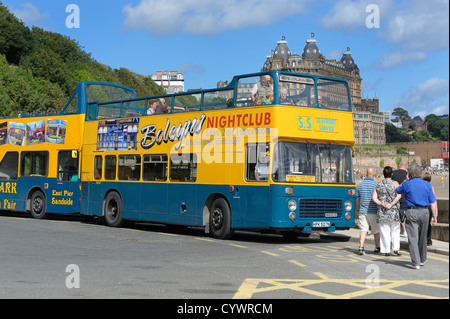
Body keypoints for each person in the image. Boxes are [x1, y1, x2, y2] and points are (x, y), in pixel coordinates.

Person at [396, 164, 437, 269]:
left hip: (412, 211)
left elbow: (397, 190)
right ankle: (423, 259)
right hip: (425, 212)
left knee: (413, 238)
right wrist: (435, 216)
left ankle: (416, 262)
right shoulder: (427, 185)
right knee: (423, 237)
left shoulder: (407, 184)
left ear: (409, 174)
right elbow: (433, 202)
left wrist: (405, 180)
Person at [372, 166, 402, 256]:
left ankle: (385, 250)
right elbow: (399, 196)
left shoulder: (378, 184)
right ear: (392, 174)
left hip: (383, 212)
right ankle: (396, 249)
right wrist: (391, 204)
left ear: (383, 174)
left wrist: (381, 204)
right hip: (394, 211)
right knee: (395, 230)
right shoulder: (395, 183)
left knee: (384, 231)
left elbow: (374, 197)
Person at [356, 167, 380, 255]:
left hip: (363, 210)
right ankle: (377, 247)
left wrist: (359, 208)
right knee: (376, 230)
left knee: (363, 229)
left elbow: (357, 199)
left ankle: (361, 247)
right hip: (373, 211)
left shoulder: (360, 185)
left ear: (366, 174)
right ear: (374, 174)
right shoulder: (376, 184)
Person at [392, 162, 408, 237]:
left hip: (395, 195)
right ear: (406, 167)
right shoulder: (407, 174)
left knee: (396, 213)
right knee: (403, 213)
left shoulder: (394, 173)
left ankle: (397, 230)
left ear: (399, 166)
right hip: (405, 196)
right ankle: (405, 231)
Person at [422, 172, 438, 246]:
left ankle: (424, 239)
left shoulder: (421, 186)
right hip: (429, 207)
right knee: (429, 225)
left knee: (422, 225)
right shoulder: (431, 187)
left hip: (423, 206)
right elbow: (433, 200)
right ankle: (428, 240)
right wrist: (435, 214)